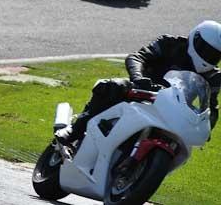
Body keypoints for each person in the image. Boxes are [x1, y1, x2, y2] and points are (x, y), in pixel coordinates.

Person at [56, 21, 221, 147]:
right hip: (141, 92)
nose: (209, 57)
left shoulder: (213, 76)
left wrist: (207, 126)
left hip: (172, 112)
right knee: (110, 86)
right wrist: (138, 77)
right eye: (207, 50)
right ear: (195, 39)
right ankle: (74, 130)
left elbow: (211, 107)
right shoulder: (169, 43)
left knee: (180, 143)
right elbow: (137, 57)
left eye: (215, 55)